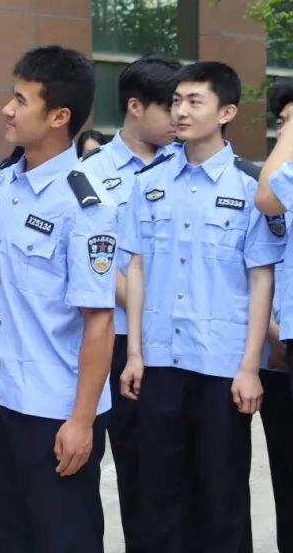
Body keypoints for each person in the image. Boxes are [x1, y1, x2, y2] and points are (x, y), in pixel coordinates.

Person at [0, 45, 116, 553]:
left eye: (21, 100)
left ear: (60, 116)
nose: (7, 109)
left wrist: (81, 421)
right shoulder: (5, 184)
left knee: (65, 540)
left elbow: (99, 322)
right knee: (7, 537)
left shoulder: (85, 205)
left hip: (53, 410)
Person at [121, 62, 283, 553]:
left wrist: (249, 367)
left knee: (222, 499)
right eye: (177, 101)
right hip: (160, 361)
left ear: (226, 112)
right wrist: (134, 353)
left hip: (221, 367)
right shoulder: (149, 182)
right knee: (161, 497)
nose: (181, 111)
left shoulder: (248, 188)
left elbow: (261, 279)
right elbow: (135, 268)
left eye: (195, 101)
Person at [74, 55, 183, 552]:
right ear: (136, 107)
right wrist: (144, 310)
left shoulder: (185, 167)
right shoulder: (90, 173)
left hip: (172, 342)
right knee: (123, 468)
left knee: (167, 471)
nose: (181, 116)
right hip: (113, 338)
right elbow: (100, 259)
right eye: (170, 106)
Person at [257, 79, 293, 552]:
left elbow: (267, 194)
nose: (281, 131)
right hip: (278, 343)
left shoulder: (279, 177)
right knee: (285, 473)